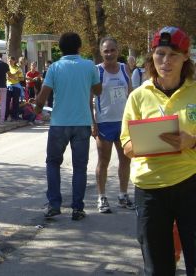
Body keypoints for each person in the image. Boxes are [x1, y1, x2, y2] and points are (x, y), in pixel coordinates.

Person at [120, 26, 196, 276]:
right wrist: (145, 143)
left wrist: (191, 141)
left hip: (190, 183)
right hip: (150, 188)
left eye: (173, 55)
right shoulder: (139, 96)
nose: (166, 61)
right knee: (157, 268)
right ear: (152, 56)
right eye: (160, 53)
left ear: (185, 56)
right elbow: (127, 146)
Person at [35, 32, 102, 221]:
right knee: (80, 167)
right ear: (80, 47)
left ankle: (54, 205)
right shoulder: (89, 66)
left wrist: (38, 108)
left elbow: (43, 95)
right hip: (82, 123)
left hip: (58, 124)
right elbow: (98, 90)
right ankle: (77, 209)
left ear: (61, 49)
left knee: (53, 163)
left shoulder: (55, 67)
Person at [92, 37, 134, 214]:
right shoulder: (97, 71)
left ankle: (123, 195)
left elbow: (131, 96)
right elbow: (89, 98)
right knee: (104, 161)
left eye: (112, 50)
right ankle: (102, 198)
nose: (109, 54)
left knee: (125, 160)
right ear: (101, 52)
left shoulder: (125, 69)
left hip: (124, 123)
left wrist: (135, 120)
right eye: (106, 51)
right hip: (104, 123)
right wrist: (92, 123)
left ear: (118, 51)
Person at [6, 56, 24, 121]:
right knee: (7, 102)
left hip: (16, 86)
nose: (10, 62)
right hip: (8, 86)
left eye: (11, 61)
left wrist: (16, 78)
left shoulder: (18, 68)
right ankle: (6, 116)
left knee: (15, 102)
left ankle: (15, 116)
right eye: (9, 61)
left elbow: (22, 78)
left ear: (14, 61)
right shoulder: (6, 68)